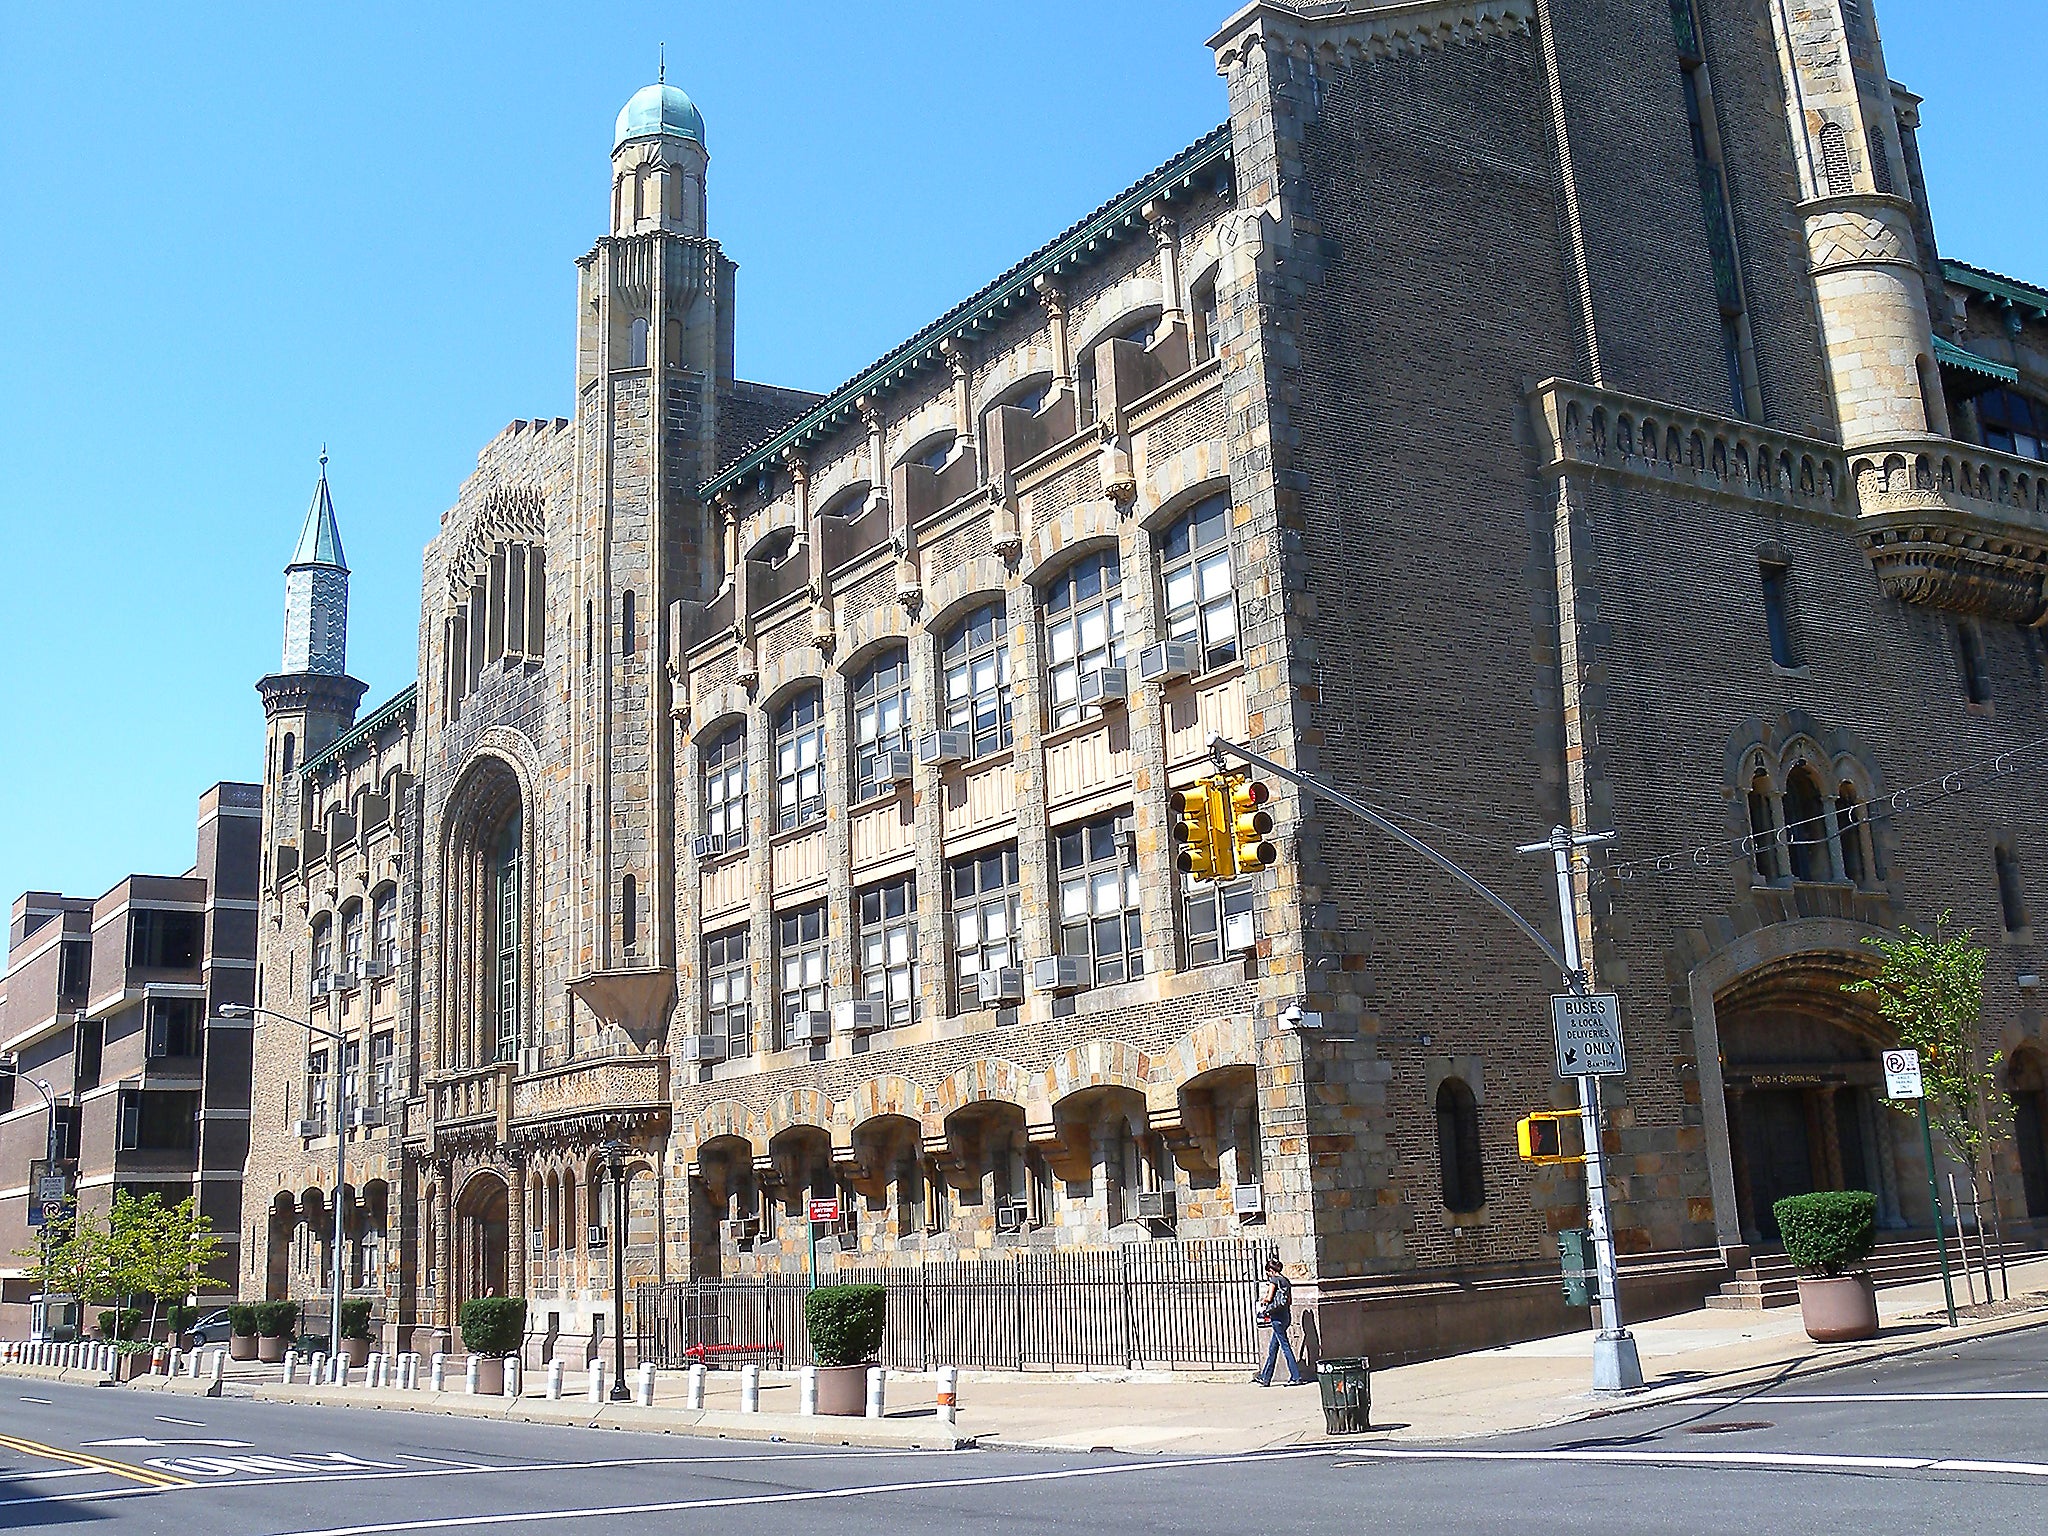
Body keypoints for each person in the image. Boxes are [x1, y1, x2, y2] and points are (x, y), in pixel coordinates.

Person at [1251, 1255, 1306, 1386]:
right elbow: (1289, 1300)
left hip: (1276, 1317)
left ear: (1270, 1270)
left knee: (1285, 1347)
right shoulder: (1286, 1281)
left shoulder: (1274, 1280)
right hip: (1285, 1316)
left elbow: (1269, 1298)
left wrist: (1263, 1302)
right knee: (1273, 1348)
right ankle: (1265, 1377)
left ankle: (1295, 1376)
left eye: (1267, 1272)